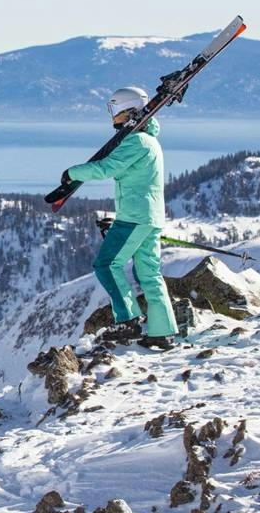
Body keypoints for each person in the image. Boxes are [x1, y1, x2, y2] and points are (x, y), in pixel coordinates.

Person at [62, 86, 177, 350]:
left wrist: (72, 173)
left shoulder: (136, 142)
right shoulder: (150, 142)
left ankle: (128, 321)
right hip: (149, 217)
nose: (112, 116)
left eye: (115, 109)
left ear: (129, 110)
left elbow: (106, 168)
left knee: (106, 264)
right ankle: (163, 331)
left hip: (135, 217)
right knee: (148, 273)